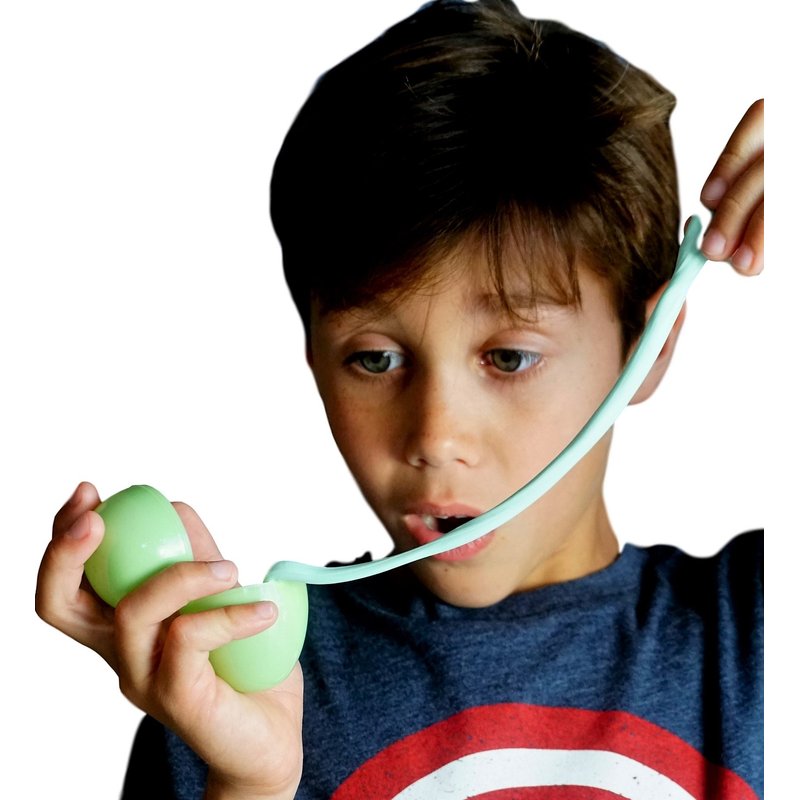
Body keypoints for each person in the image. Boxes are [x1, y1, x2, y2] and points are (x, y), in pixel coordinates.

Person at [35, 1, 764, 798]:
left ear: (649, 347)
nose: (435, 435)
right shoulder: (220, 696)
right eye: (376, 359)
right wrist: (250, 783)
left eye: (509, 357)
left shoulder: (758, 634)